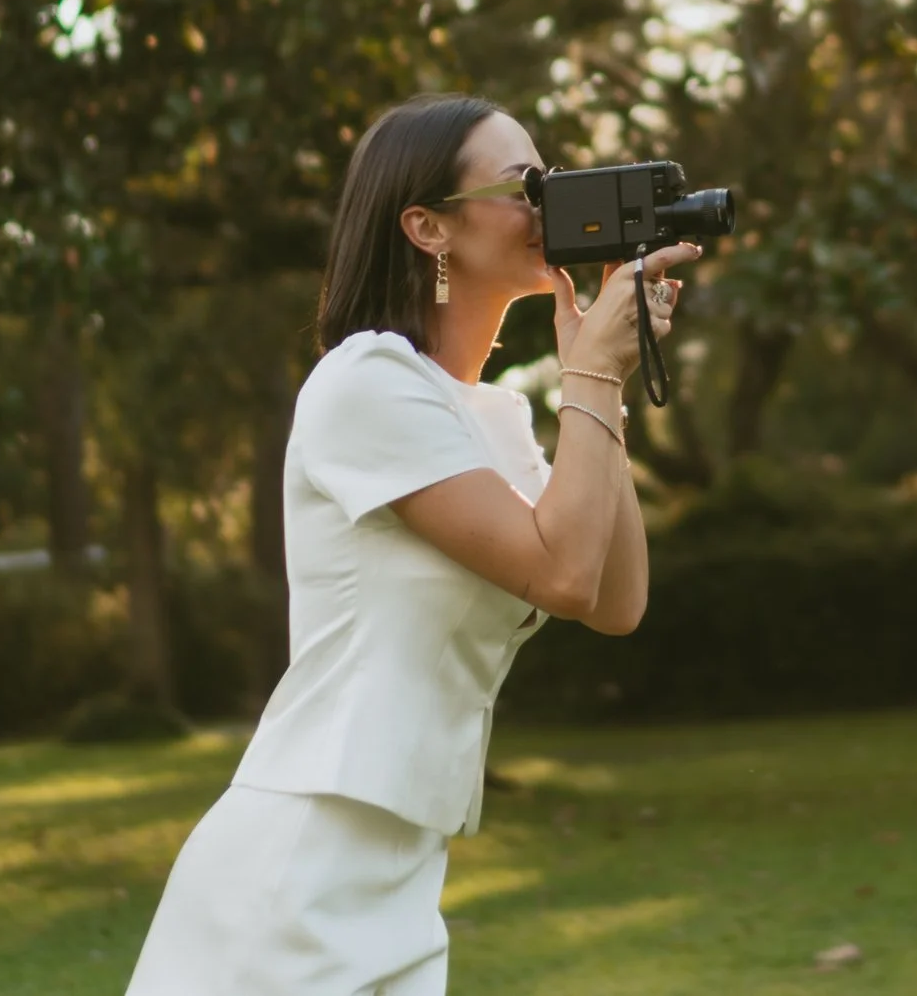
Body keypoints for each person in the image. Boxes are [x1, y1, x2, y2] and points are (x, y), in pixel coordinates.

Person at [127, 93, 698, 995]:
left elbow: (614, 599)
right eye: (523, 185)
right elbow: (561, 573)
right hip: (296, 877)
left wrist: (605, 382)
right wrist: (590, 371)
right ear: (428, 225)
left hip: (402, 875)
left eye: (551, 179)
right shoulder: (364, 381)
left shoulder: (495, 420)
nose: (548, 203)